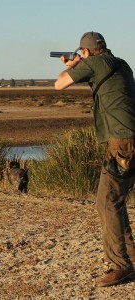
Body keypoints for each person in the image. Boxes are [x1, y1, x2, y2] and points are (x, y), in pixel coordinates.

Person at [54, 31, 135, 287]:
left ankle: (121, 267)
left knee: (106, 202)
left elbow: (59, 84)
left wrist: (75, 64)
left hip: (121, 143)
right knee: (116, 201)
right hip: (130, 140)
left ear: (86, 51)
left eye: (83, 53)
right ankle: (131, 258)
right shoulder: (121, 64)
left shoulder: (94, 62)